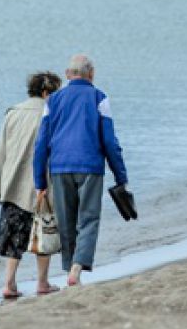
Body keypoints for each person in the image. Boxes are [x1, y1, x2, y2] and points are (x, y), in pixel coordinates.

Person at [33, 54, 129, 287]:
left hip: (59, 167)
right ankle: (76, 268)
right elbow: (109, 141)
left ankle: (70, 269)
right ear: (92, 74)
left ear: (68, 75)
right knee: (88, 219)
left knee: (66, 221)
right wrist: (120, 175)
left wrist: (39, 182)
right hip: (90, 167)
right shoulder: (99, 98)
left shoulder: (52, 101)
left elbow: (41, 142)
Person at [0, 71, 63, 298]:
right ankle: (42, 282)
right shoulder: (51, 113)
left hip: (13, 184)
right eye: (56, 92)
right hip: (43, 183)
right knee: (44, 231)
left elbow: (0, 152)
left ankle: (9, 284)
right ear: (46, 92)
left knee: (14, 237)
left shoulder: (12, 113)